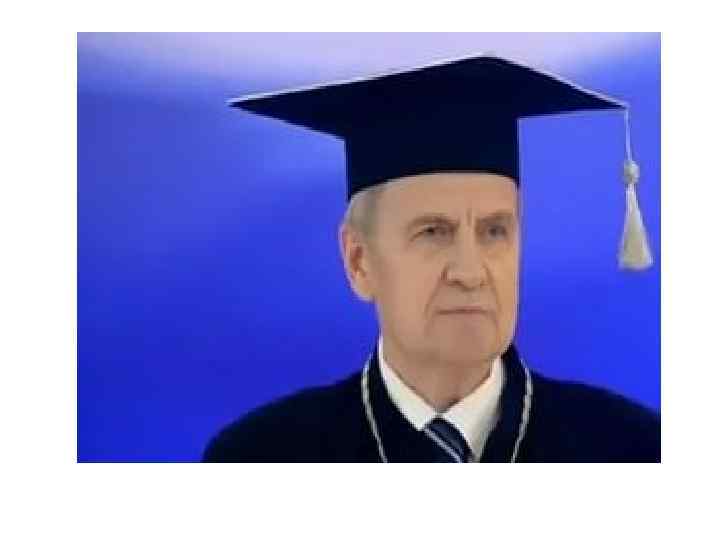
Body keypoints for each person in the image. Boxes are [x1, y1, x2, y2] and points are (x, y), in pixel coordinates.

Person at [202, 54, 660, 463]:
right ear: (359, 262)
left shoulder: (632, 449)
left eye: (494, 231)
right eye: (434, 233)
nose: (470, 273)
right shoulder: (261, 457)